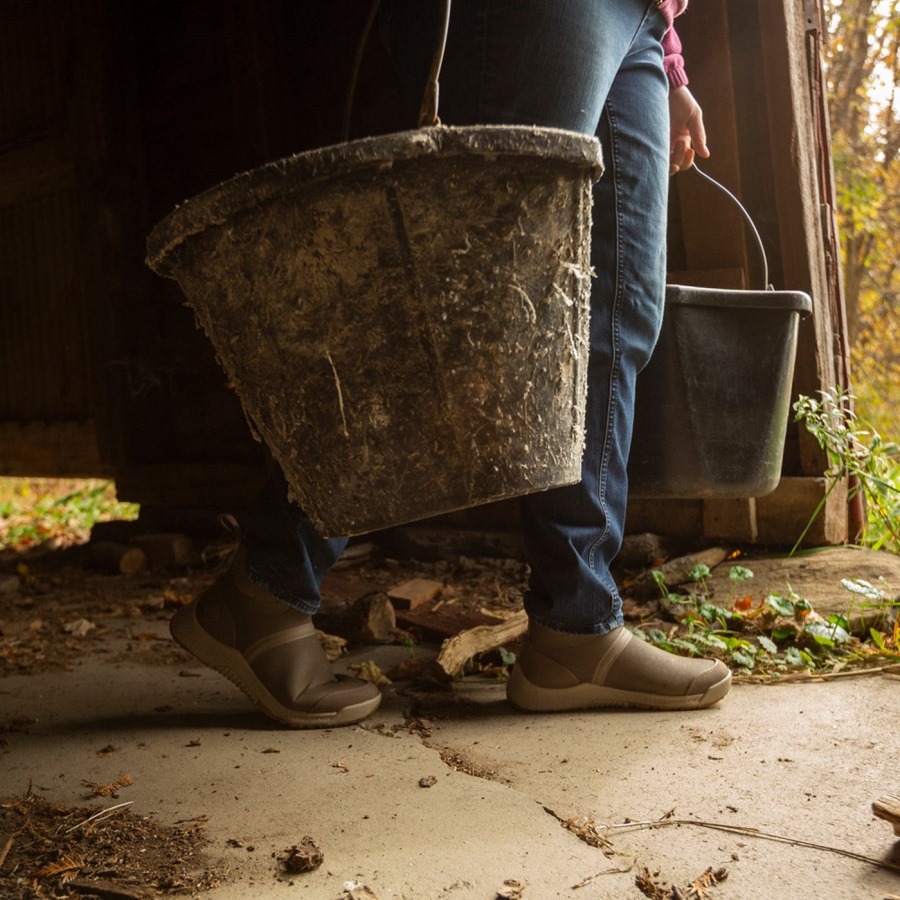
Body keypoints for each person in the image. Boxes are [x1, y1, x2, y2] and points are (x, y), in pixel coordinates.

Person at [169, 0, 731, 728]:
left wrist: (671, 57)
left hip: (645, 25)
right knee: (469, 311)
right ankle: (265, 587)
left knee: (615, 316)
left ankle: (575, 627)